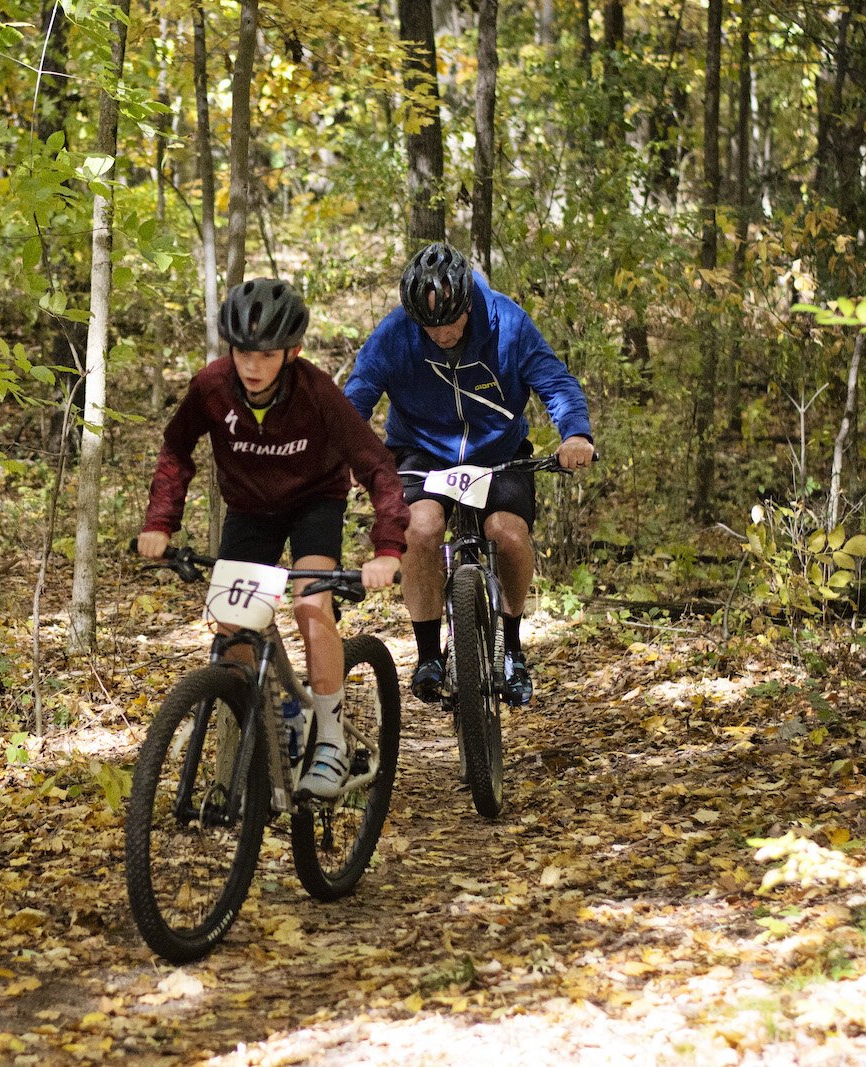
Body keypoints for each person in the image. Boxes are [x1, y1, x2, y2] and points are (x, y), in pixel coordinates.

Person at [138, 278, 410, 801]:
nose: (252, 365)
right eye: (242, 351)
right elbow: (177, 450)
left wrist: (387, 549)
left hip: (314, 504)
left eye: (266, 354)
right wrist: (159, 523)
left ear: (293, 351)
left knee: (311, 605)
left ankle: (331, 736)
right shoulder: (211, 387)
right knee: (232, 631)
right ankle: (281, 714)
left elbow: (377, 466)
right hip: (250, 511)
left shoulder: (317, 391)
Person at [344, 242, 595, 707]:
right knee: (420, 529)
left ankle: (512, 649)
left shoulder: (508, 322)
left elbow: (555, 382)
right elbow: (357, 394)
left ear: (467, 303)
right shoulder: (397, 333)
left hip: (496, 452)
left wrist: (575, 434)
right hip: (422, 449)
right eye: (429, 325)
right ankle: (427, 656)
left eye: (450, 321)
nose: (440, 333)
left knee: (509, 533)